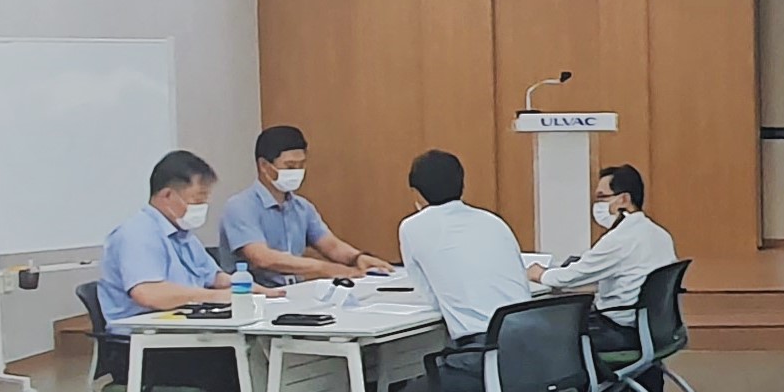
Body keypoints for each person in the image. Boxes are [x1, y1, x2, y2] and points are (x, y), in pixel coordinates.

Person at [94, 149, 243, 392]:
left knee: (256, 356)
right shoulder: (137, 234)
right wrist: (212, 297)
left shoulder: (182, 235)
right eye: (197, 200)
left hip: (177, 339)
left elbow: (214, 278)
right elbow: (148, 293)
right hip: (141, 351)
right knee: (236, 366)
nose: (202, 207)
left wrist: (252, 289)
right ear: (167, 196)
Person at [530, 164, 676, 354]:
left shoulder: (621, 238)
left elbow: (571, 277)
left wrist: (539, 274)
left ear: (623, 199)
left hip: (618, 330)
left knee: (539, 333)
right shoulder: (659, 234)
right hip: (653, 328)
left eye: (601, 197)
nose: (597, 206)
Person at [218, 125, 390, 285]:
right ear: (264, 166)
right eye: (290, 166)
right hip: (252, 295)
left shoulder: (302, 207)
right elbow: (262, 257)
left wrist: (358, 258)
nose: (297, 172)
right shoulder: (240, 207)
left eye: (301, 165)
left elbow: (331, 245)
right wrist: (325, 268)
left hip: (295, 291)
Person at [395, 149, 530, 343]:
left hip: (483, 345)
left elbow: (432, 299)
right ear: (462, 184)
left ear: (416, 192)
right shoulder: (492, 221)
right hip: (529, 338)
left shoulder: (412, 227)